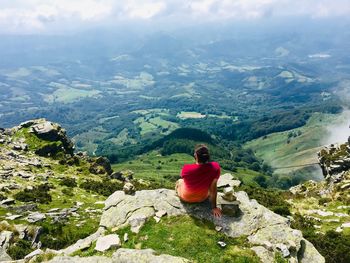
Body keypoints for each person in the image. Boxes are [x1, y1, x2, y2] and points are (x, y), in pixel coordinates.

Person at [175, 144, 222, 218]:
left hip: (186, 198)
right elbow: (213, 189)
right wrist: (214, 207)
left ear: (196, 155)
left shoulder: (186, 168)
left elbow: (184, 177)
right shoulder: (215, 167)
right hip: (203, 198)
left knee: (180, 181)